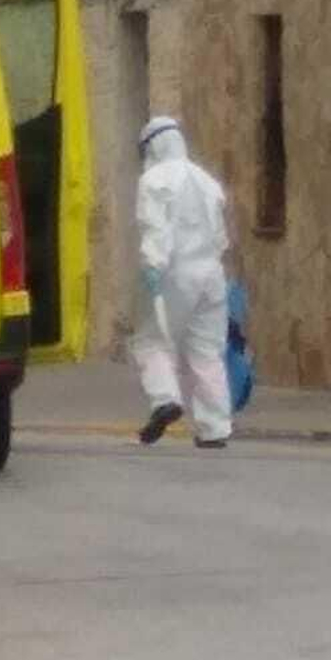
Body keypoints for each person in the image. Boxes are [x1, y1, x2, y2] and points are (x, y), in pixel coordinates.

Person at [132, 117, 234, 449]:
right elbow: (220, 237)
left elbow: (155, 228)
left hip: (175, 274)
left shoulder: (153, 180)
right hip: (212, 276)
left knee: (152, 341)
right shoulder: (207, 181)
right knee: (206, 351)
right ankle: (214, 427)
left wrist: (151, 266)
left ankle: (164, 400)